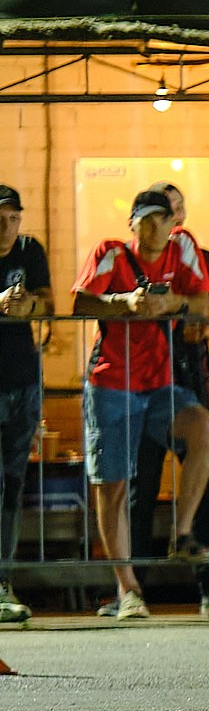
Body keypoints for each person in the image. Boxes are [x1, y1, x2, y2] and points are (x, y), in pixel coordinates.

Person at [69, 188, 209, 620]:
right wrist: (122, 303)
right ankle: (128, 588)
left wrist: (172, 302)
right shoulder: (112, 253)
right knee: (113, 487)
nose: (158, 227)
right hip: (112, 383)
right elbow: (79, 302)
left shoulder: (183, 248)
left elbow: (203, 303)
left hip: (158, 383)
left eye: (165, 218)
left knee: (204, 427)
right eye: (148, 219)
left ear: (175, 223)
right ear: (133, 224)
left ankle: (183, 532)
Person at [126, 182, 209, 590]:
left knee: (205, 471)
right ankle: (134, 584)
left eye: (177, 208)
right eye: (163, 210)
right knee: (142, 483)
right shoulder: (130, 260)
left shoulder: (207, 260)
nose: (172, 216)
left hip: (192, 372)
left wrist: (201, 324)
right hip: (145, 376)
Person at [0, 185, 53, 624]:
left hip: (21, 380)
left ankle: (3, 579)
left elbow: (49, 302)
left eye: (13, 217)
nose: (6, 226)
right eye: (0, 216)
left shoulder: (30, 250)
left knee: (13, 485)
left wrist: (28, 304)